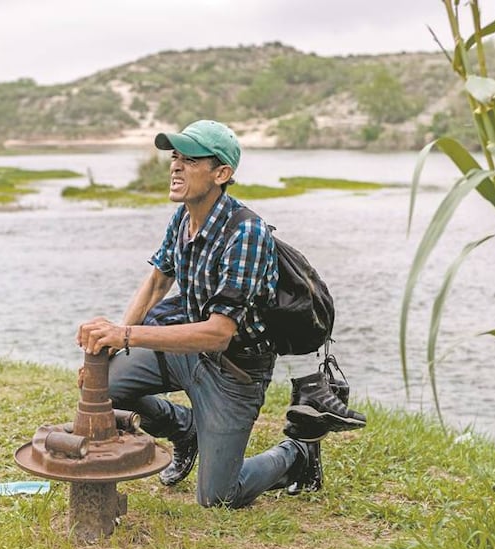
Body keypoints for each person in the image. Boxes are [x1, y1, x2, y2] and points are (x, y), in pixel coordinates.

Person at [75, 119, 320, 509]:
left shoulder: (247, 234)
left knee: (219, 496)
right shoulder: (184, 218)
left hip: (234, 371)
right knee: (104, 384)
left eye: (190, 159)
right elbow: (157, 283)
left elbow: (218, 334)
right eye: (175, 157)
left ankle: (297, 455)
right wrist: (109, 351)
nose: (175, 166)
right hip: (186, 352)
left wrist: (125, 336)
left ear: (221, 173)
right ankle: (184, 429)